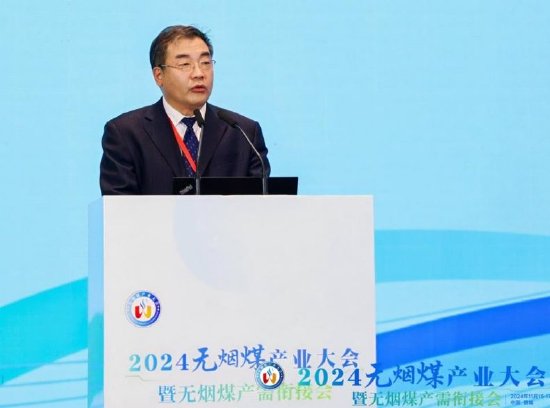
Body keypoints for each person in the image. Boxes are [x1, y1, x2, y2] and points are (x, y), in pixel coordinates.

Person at [100, 25, 270, 195]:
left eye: (205, 63)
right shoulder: (126, 134)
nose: (199, 73)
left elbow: (260, 205)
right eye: (185, 64)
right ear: (159, 76)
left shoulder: (243, 133)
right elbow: (118, 206)